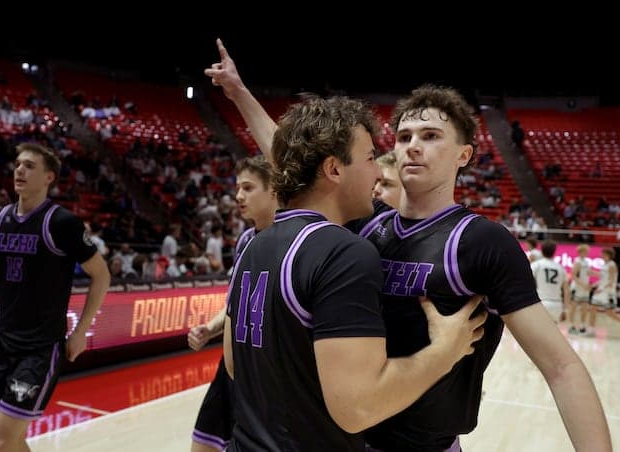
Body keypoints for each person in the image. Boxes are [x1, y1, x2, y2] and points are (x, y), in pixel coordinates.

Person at [206, 40, 611, 451]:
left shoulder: (481, 241)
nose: (412, 145)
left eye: (431, 135)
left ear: (464, 154)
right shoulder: (364, 226)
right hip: (351, 436)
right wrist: (239, 93)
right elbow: (301, 160)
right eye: (402, 137)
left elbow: (560, 367)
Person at [221, 94, 485, 451]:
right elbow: (358, 409)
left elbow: (236, 365)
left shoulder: (253, 245)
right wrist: (445, 351)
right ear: (334, 169)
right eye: (370, 158)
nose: (377, 172)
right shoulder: (343, 252)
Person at [0, 143, 110, 452]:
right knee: (8, 439)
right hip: (2, 340)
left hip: (38, 346)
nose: (19, 170)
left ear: (49, 177)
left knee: (3, 437)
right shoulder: (0, 216)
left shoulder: (62, 222)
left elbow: (101, 275)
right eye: (18, 164)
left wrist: (80, 332)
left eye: (30, 166)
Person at [188, 155, 279, 452]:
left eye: (248, 188)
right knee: (203, 445)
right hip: (231, 367)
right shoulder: (244, 241)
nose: (238, 196)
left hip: (268, 372)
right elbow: (234, 305)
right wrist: (210, 329)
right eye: (238, 188)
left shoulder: (293, 242)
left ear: (274, 189)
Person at [530, 240, 571, 322]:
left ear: (541, 251)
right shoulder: (561, 268)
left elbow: (527, 282)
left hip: (541, 302)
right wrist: (566, 309)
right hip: (557, 304)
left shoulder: (537, 265)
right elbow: (566, 291)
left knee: (538, 332)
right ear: (554, 252)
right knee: (551, 332)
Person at [568, 243, 592, 335]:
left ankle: (582, 326)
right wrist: (583, 285)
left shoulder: (586, 261)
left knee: (585, 307)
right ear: (581, 251)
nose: (588, 252)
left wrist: (601, 274)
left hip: (584, 288)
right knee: (573, 307)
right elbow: (573, 275)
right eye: (586, 251)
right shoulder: (577, 261)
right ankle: (571, 325)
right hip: (577, 287)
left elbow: (589, 273)